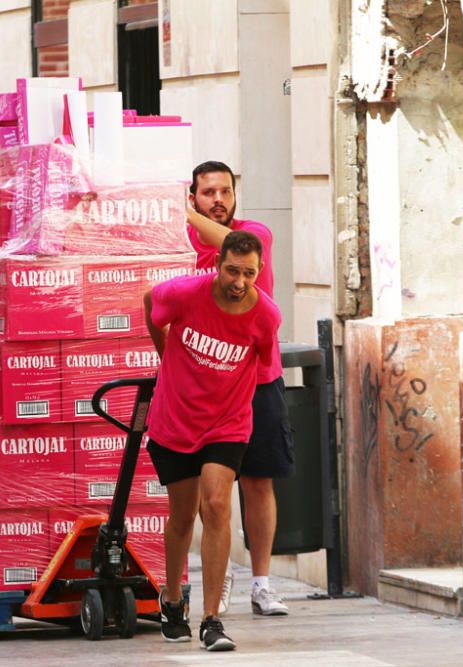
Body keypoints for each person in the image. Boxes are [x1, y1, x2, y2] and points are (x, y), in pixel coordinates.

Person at [144, 230, 281, 651]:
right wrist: (166, 353)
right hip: (175, 418)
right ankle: (171, 601)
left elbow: (264, 367)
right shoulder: (185, 294)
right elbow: (150, 303)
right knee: (183, 516)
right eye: (233, 271)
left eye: (249, 273)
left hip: (226, 422)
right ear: (218, 264)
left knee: (217, 505)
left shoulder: (266, 316)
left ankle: (212, 620)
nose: (240, 281)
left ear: (259, 272)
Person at [186, 161, 294, 617]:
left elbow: (230, 246)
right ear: (195, 195)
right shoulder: (183, 243)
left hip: (258, 381)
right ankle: (219, 567)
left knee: (257, 481)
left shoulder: (255, 236)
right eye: (207, 192)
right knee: (203, 487)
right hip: (205, 385)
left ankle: (262, 582)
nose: (218, 199)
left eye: (225, 191)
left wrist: (174, 208)